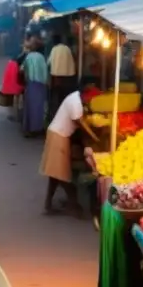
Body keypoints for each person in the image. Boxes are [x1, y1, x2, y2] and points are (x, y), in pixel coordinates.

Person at [41, 79, 98, 215]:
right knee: (62, 175)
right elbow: (79, 122)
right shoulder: (76, 102)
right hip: (58, 136)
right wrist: (94, 137)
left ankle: (48, 204)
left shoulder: (75, 98)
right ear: (86, 94)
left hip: (59, 134)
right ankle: (74, 204)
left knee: (54, 174)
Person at [21, 40, 49, 137]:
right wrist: (46, 82)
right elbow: (45, 71)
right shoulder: (41, 57)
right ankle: (37, 128)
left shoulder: (28, 56)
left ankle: (28, 128)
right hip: (40, 84)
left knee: (29, 106)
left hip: (30, 83)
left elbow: (23, 69)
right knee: (39, 107)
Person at [47, 34, 77, 119]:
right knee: (65, 96)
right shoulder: (67, 48)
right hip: (68, 78)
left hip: (57, 78)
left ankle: (56, 115)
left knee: (56, 96)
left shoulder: (54, 49)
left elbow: (49, 62)